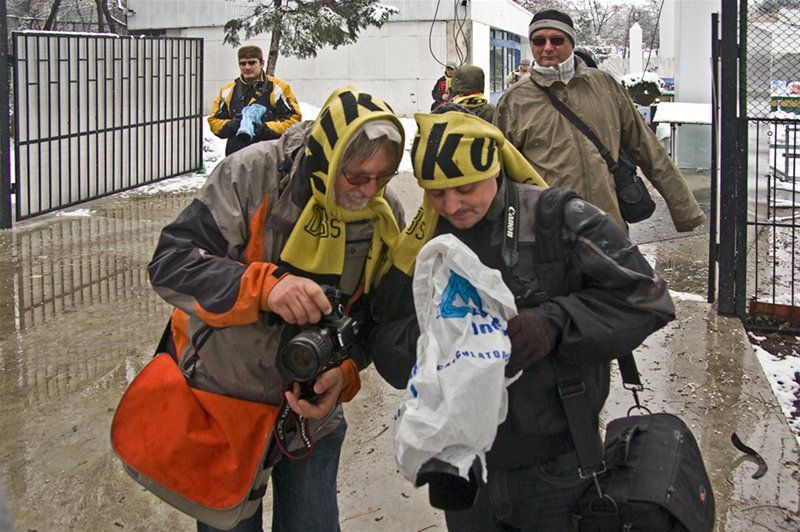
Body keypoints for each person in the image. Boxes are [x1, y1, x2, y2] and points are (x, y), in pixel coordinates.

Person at [369, 109, 675, 530]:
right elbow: (383, 342)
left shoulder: (557, 218)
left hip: (557, 465)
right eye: (436, 193)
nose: (453, 205)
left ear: (494, 168)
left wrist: (553, 323)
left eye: (466, 188)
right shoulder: (421, 245)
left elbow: (648, 298)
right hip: (461, 468)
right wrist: (439, 340)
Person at [149, 86, 405, 531]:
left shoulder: (382, 212)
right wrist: (263, 288)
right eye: (357, 177)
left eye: (381, 178)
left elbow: (376, 317)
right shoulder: (251, 175)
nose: (369, 191)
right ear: (326, 156)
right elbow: (171, 263)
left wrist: (344, 374)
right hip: (225, 404)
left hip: (310, 419)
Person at [494, 9, 704, 232]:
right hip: (549, 232)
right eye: (538, 41)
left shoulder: (605, 86)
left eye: (557, 40)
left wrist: (685, 210)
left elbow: (647, 148)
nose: (547, 47)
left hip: (608, 226)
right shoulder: (514, 101)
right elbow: (498, 172)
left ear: (571, 42)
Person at [208, 45, 302, 156]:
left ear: (262, 63)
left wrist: (265, 129)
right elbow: (214, 121)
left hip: (270, 156)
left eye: (252, 62)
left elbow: (294, 120)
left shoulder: (278, 88)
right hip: (236, 157)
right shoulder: (227, 91)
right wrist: (231, 125)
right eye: (242, 63)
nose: (247, 67)